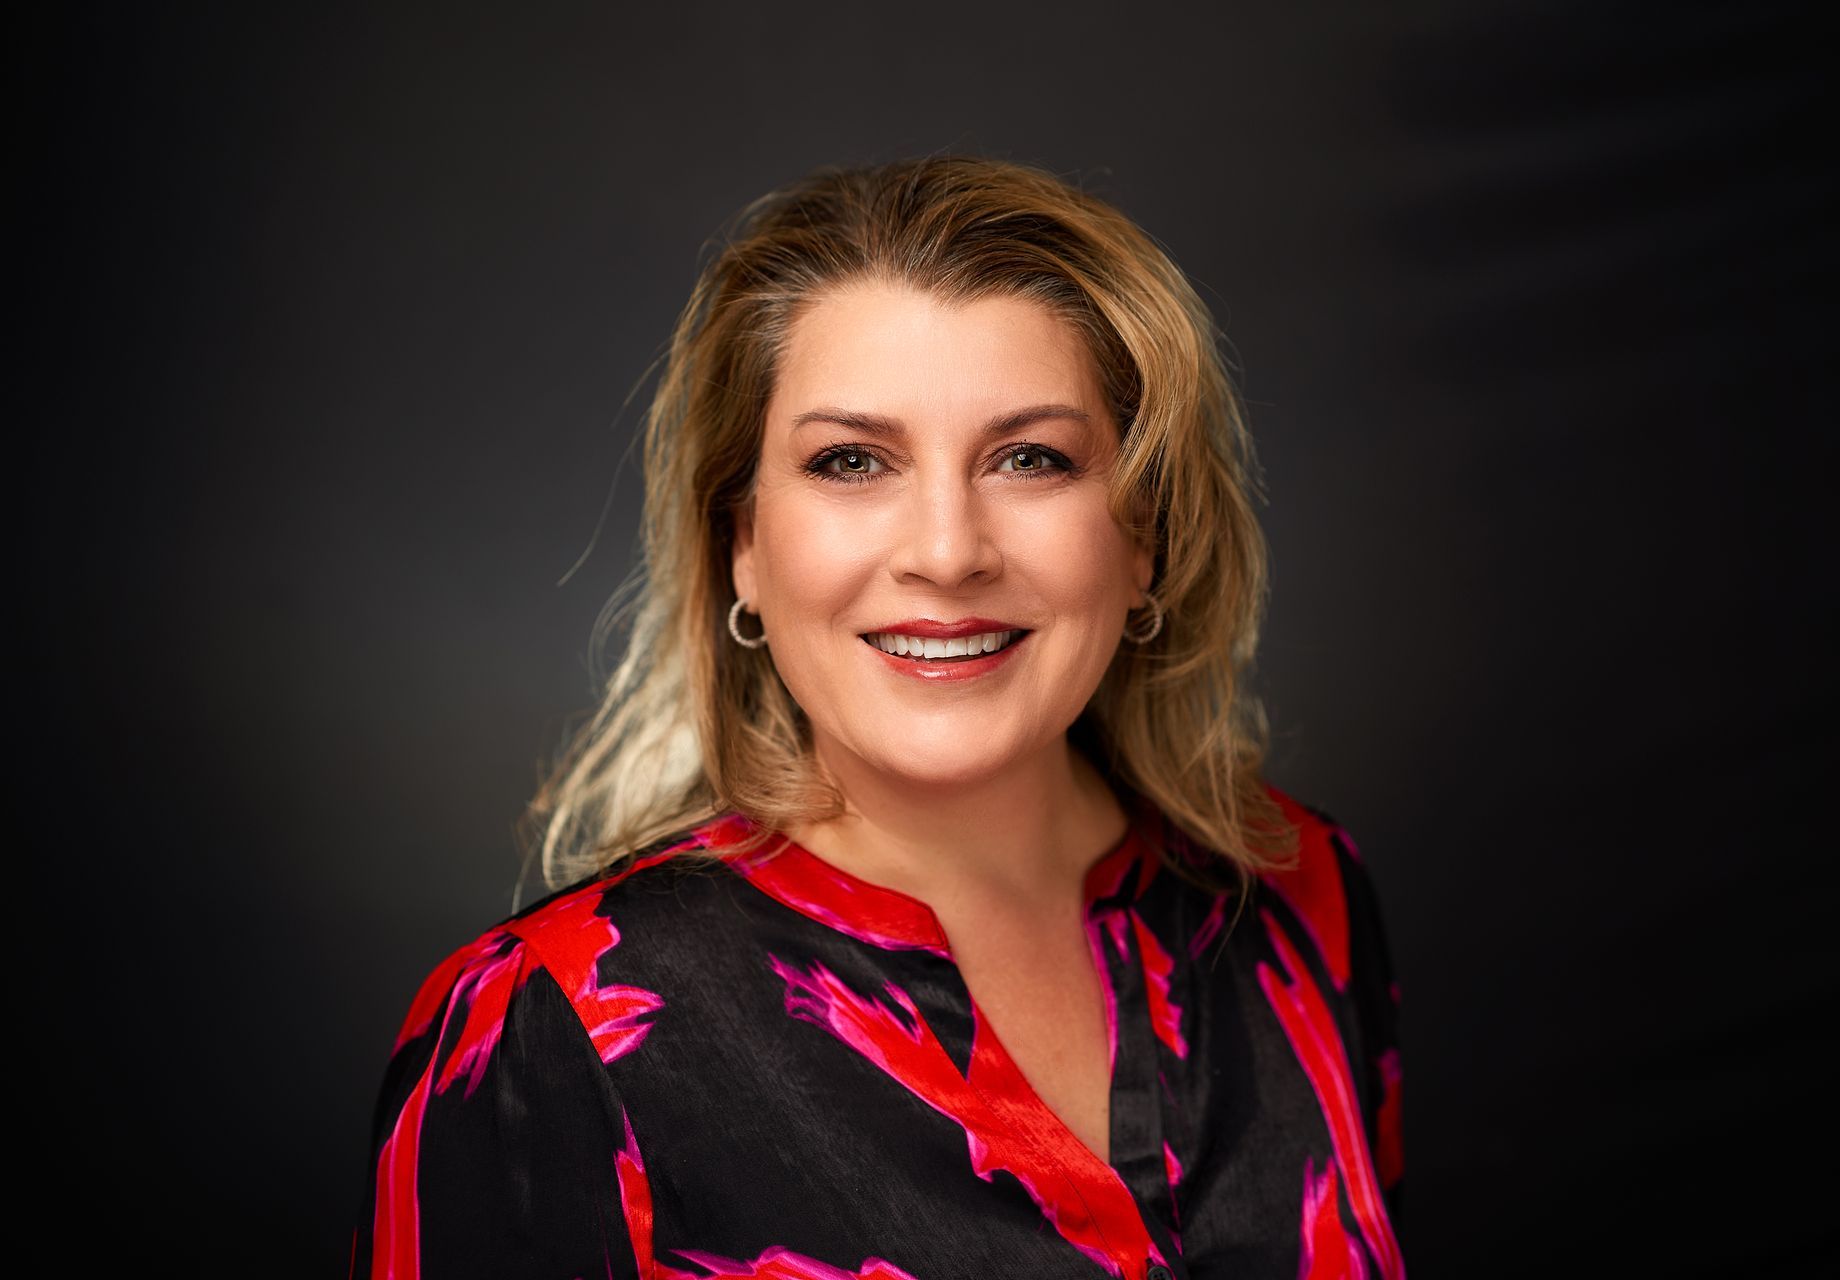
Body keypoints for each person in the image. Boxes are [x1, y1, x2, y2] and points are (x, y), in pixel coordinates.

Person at [349, 154, 1405, 1280]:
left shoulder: (1304, 895)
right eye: (852, 461)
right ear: (740, 543)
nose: (946, 552)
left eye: (1031, 458)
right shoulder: (546, 1031)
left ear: (1145, 535)